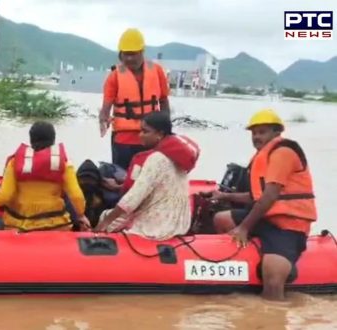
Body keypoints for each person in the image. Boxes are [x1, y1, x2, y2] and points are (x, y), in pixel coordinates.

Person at [208, 109, 316, 301]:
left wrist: (243, 228)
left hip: (288, 225)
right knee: (221, 219)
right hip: (266, 218)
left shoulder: (283, 152)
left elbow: (270, 195)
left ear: (277, 133)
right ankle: (239, 267)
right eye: (254, 133)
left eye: (262, 132)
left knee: (273, 280)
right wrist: (223, 195)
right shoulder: (263, 155)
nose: (257, 137)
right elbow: (255, 196)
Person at [0, 121, 90, 231]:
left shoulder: (15, 162)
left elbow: (4, 196)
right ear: (53, 140)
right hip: (56, 225)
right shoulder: (65, 164)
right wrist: (80, 215)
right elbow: (76, 196)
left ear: (31, 139)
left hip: (19, 225)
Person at [94, 112, 200, 240]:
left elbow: (132, 200)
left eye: (145, 132)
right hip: (180, 222)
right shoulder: (177, 156)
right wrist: (120, 187)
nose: (140, 135)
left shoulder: (156, 159)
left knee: (105, 216)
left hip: (159, 226)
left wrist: (105, 222)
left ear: (160, 134)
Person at [99, 28, 171, 170]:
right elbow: (106, 107)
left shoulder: (157, 71)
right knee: (122, 176)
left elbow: (163, 101)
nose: (129, 58)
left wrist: (167, 130)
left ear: (142, 52)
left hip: (152, 138)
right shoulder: (114, 76)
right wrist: (103, 120)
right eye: (126, 54)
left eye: (133, 54)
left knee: (150, 176)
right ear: (120, 54)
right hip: (123, 140)